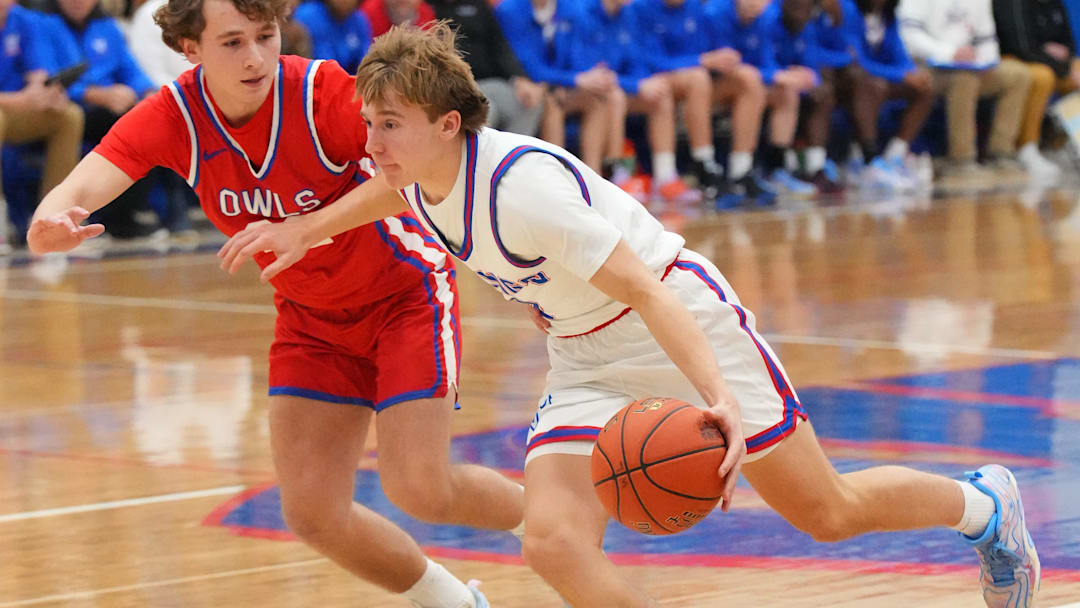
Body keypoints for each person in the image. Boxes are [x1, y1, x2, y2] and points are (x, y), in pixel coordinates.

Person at [219, 23, 1041, 608]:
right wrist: (304, 227)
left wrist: (715, 395)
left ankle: (985, 506)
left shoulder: (523, 189)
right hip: (584, 357)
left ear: (446, 125)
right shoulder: (419, 174)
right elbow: (384, 189)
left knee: (827, 513)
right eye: (368, 124)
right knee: (550, 542)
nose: (371, 143)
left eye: (387, 126)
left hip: (677, 321)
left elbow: (648, 291)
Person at [24, 1, 526, 606]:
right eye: (232, 42)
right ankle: (456, 602)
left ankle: (557, 523)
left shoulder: (322, 93)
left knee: (421, 487)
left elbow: (419, 172)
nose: (256, 56)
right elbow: (82, 185)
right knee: (313, 511)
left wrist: (307, 227)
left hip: (403, 297)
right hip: (312, 321)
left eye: (265, 36)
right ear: (190, 49)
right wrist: (47, 223)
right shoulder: (176, 115)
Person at [898, 0, 1032, 175]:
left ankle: (1001, 152)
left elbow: (987, 38)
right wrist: (950, 53)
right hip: (926, 67)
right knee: (964, 78)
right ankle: (962, 159)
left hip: (970, 65)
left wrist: (983, 60)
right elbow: (909, 35)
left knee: (1019, 74)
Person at [0, 0, 84, 252]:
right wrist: (21, 100)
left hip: (16, 110)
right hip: (8, 107)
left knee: (68, 116)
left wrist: (45, 94)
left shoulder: (25, 20)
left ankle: (53, 217)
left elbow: (39, 72)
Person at [428, 0, 544, 137]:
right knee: (487, 111)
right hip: (457, 86)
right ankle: (478, 157)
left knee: (530, 101)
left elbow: (500, 46)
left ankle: (514, 154)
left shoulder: (480, 6)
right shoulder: (429, 9)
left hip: (493, 82)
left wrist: (518, 77)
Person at [992, 0, 1076, 177]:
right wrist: (1064, 70)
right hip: (1015, 59)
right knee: (1042, 77)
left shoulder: (1055, 4)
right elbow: (1022, 48)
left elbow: (1069, 44)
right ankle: (1027, 146)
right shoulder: (1012, 4)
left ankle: (1062, 140)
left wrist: (1067, 64)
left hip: (1053, 63)